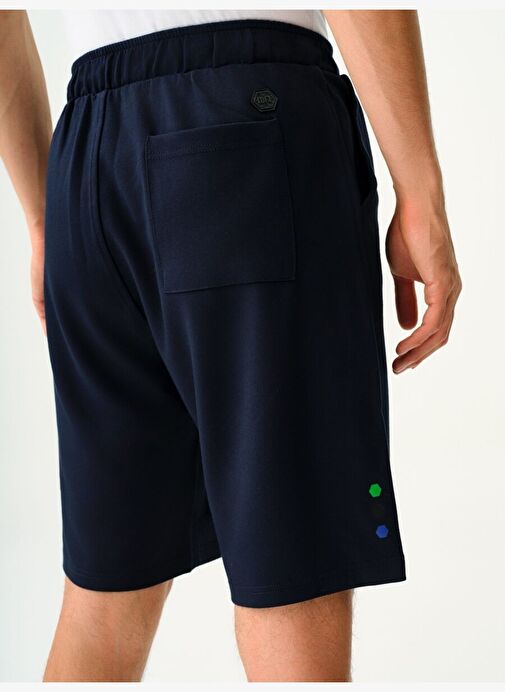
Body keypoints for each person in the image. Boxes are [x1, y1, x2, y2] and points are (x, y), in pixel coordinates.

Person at [0, 9, 461, 682]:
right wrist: (420, 190)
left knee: (104, 600)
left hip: (87, 161)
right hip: (246, 123)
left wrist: (46, 217)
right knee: (292, 576)